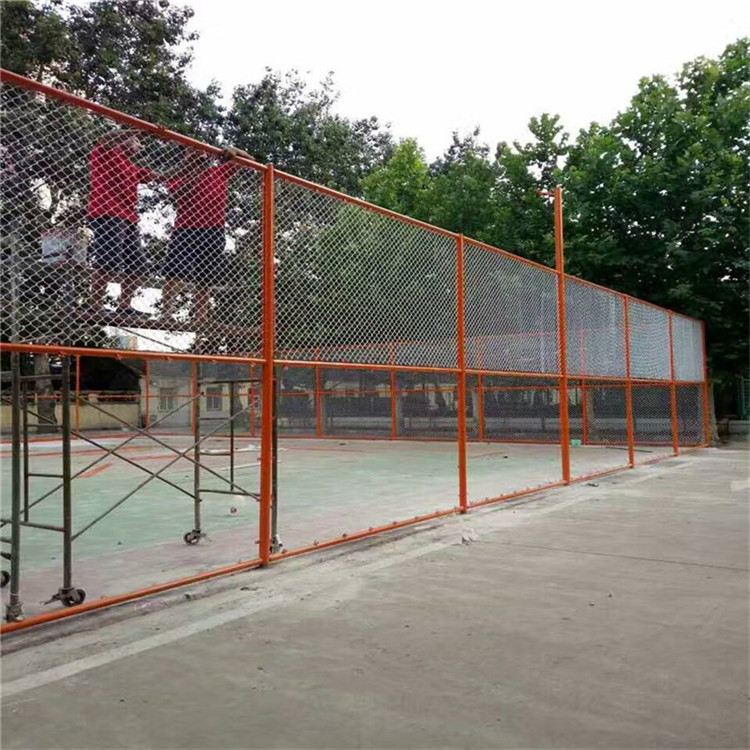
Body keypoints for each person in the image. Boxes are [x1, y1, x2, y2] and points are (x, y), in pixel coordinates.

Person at [161, 146, 250, 325]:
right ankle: (166, 313)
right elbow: (180, 193)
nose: (200, 154)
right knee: (175, 272)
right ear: (186, 156)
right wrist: (194, 169)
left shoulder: (218, 172)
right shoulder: (177, 176)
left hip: (213, 231)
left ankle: (201, 318)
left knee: (206, 277)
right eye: (194, 151)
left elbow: (250, 161)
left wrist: (235, 151)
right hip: (185, 230)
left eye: (202, 151)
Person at [87, 130, 157, 317]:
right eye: (136, 141)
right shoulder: (106, 152)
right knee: (109, 258)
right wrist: (140, 129)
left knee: (138, 265)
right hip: (107, 212)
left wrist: (189, 165)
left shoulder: (133, 168)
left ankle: (125, 306)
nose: (140, 145)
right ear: (126, 139)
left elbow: (162, 176)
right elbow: (107, 138)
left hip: (128, 218)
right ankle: (95, 304)